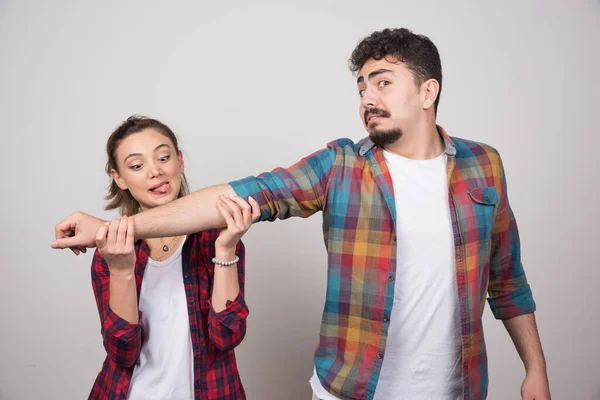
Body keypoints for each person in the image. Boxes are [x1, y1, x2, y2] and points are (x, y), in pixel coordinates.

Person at [53, 29, 550, 400]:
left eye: (382, 82)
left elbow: (507, 281)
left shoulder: (484, 165)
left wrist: (536, 371)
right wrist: (116, 230)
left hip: (457, 388)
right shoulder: (340, 165)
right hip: (350, 389)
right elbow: (240, 193)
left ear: (427, 92)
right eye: (361, 88)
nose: (367, 98)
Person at [86, 116, 259, 399]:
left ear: (179, 161)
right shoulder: (112, 248)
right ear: (119, 178)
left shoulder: (213, 239)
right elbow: (122, 352)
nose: (155, 171)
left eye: (163, 157)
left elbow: (227, 337)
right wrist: (121, 271)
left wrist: (226, 250)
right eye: (137, 166)